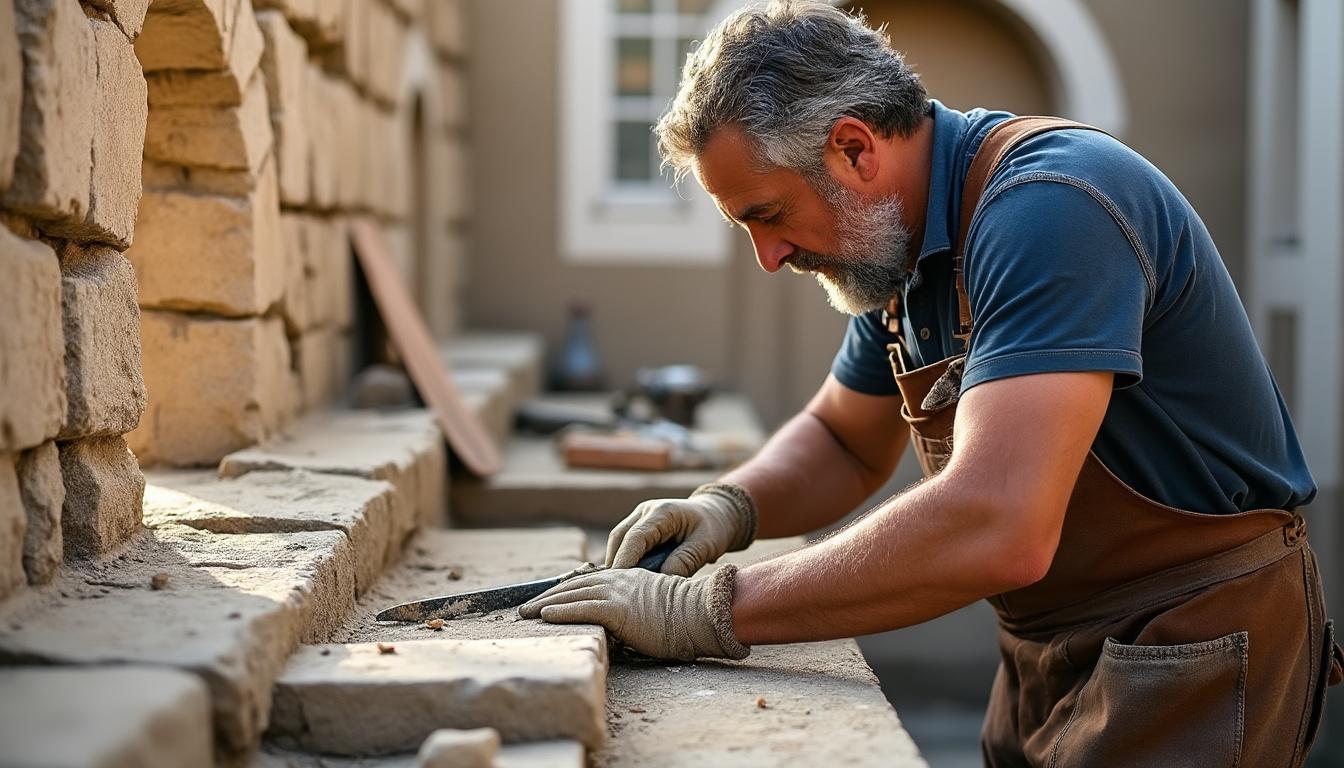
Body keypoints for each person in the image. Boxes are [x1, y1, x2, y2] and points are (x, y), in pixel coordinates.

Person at [519, 1, 1341, 763]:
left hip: (1190, 640)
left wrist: (702, 611)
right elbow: (844, 439)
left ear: (853, 147)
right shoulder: (901, 249)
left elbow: (999, 522)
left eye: (766, 215)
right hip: (1047, 645)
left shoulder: (1051, 208)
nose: (768, 258)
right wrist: (724, 507)